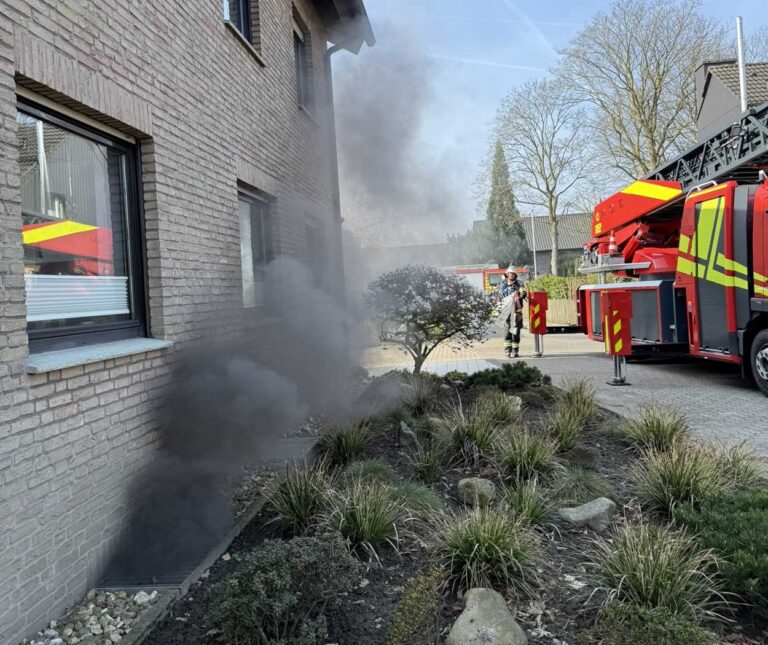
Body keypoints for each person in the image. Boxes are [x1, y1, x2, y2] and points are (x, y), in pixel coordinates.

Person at [497, 267, 527, 358]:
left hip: (516, 311)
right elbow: (500, 297)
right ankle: (507, 351)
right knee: (507, 332)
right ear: (507, 274)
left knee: (516, 331)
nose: (511, 275)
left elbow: (523, 292)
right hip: (506, 310)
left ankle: (515, 351)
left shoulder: (519, 284)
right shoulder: (503, 284)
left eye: (513, 273)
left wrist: (522, 294)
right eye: (509, 273)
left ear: (515, 275)